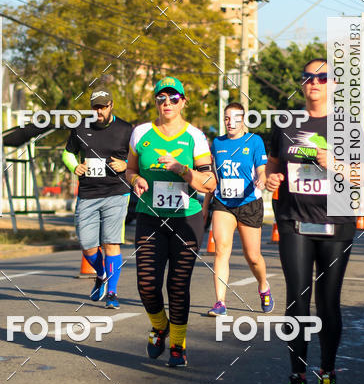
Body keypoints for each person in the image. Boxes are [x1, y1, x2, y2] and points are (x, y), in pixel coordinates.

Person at [265, 59, 364, 384]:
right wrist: (270, 179)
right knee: (297, 300)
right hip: (294, 221)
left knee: (328, 302)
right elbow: (272, 168)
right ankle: (297, 377)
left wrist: (335, 163)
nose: (314, 82)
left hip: (336, 222)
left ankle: (327, 372)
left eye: (322, 77)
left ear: (333, 85)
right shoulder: (285, 125)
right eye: (308, 77)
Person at [125, 77, 216, 367]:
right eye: (161, 98)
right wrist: (135, 179)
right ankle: (159, 326)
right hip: (150, 217)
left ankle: (177, 343)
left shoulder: (195, 137)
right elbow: (129, 169)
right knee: (147, 284)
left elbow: (209, 183)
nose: (167, 103)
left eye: (173, 98)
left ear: (183, 102)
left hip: (186, 219)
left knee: (178, 285)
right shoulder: (141, 133)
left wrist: (182, 170)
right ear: (156, 102)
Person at [62, 89, 132, 308]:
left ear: (111, 105)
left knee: (111, 243)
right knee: (87, 245)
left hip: (116, 192)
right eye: (95, 107)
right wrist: (76, 166)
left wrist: (126, 165)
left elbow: (138, 156)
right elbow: (67, 153)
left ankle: (112, 292)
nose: (99, 111)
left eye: (103, 106)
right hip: (88, 194)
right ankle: (101, 274)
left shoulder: (125, 129)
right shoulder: (80, 128)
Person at [202, 101, 272, 317]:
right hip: (223, 203)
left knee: (252, 257)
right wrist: (206, 206)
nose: (230, 122)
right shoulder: (217, 143)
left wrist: (262, 179)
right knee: (222, 251)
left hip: (249, 203)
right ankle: (220, 302)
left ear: (243, 120)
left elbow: (262, 169)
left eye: (236, 118)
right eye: (226, 118)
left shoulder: (254, 141)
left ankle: (263, 285)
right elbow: (212, 177)